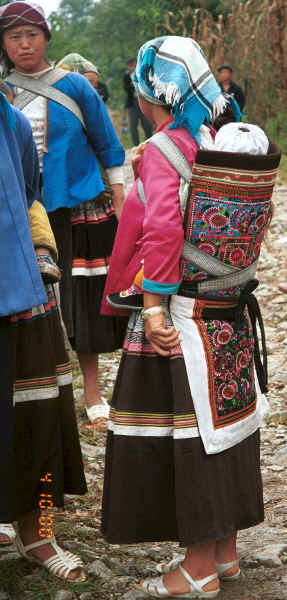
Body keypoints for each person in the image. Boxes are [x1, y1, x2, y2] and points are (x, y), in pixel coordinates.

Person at [101, 36, 280, 598]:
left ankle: (197, 567)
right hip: (227, 316)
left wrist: (152, 306)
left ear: (151, 91)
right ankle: (223, 552)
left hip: (182, 313)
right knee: (224, 429)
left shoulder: (163, 150)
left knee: (190, 437)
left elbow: (161, 231)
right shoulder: (218, 140)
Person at [0, 1, 127, 429]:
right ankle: (43, 394)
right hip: (21, 216)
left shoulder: (75, 87)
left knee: (80, 301)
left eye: (31, 35)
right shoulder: (4, 91)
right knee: (31, 306)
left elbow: (108, 143)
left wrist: (121, 198)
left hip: (76, 205)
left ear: (47, 38)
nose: (24, 44)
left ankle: (92, 392)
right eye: (14, 37)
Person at [0, 85, 87, 581]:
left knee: (40, 421)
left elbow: (30, 189)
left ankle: (41, 532)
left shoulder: (12, 121)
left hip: (21, 289)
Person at [107, 121, 269, 311]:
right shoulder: (261, 203)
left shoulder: (203, 200)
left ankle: (139, 287)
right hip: (236, 296)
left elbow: (164, 226)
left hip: (191, 294)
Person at [123, 57, 153, 146]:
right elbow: (125, 88)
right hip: (133, 102)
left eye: (133, 65)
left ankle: (150, 143)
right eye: (130, 66)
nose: (132, 67)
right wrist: (132, 85)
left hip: (144, 100)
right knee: (133, 125)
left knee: (147, 124)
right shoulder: (126, 75)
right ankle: (136, 145)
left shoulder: (143, 72)